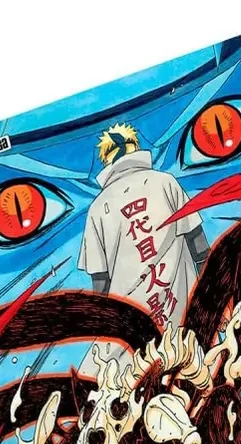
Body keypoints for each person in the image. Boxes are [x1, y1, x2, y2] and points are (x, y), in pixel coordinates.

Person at [78, 124, 209, 365]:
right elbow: (200, 248)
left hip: (134, 337)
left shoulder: (98, 208)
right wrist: (213, 298)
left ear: (106, 159)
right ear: (135, 147)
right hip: (186, 319)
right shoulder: (166, 183)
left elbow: (100, 284)